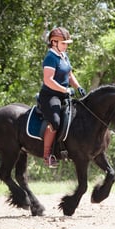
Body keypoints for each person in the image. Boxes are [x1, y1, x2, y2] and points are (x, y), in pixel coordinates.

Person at [39, 27, 86, 167]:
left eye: (66, 43)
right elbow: (48, 80)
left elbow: (70, 74)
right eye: (64, 43)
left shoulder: (63, 55)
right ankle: (47, 155)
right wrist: (65, 89)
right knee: (55, 121)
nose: (66, 46)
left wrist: (78, 87)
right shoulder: (50, 57)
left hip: (64, 94)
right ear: (54, 43)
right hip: (50, 96)